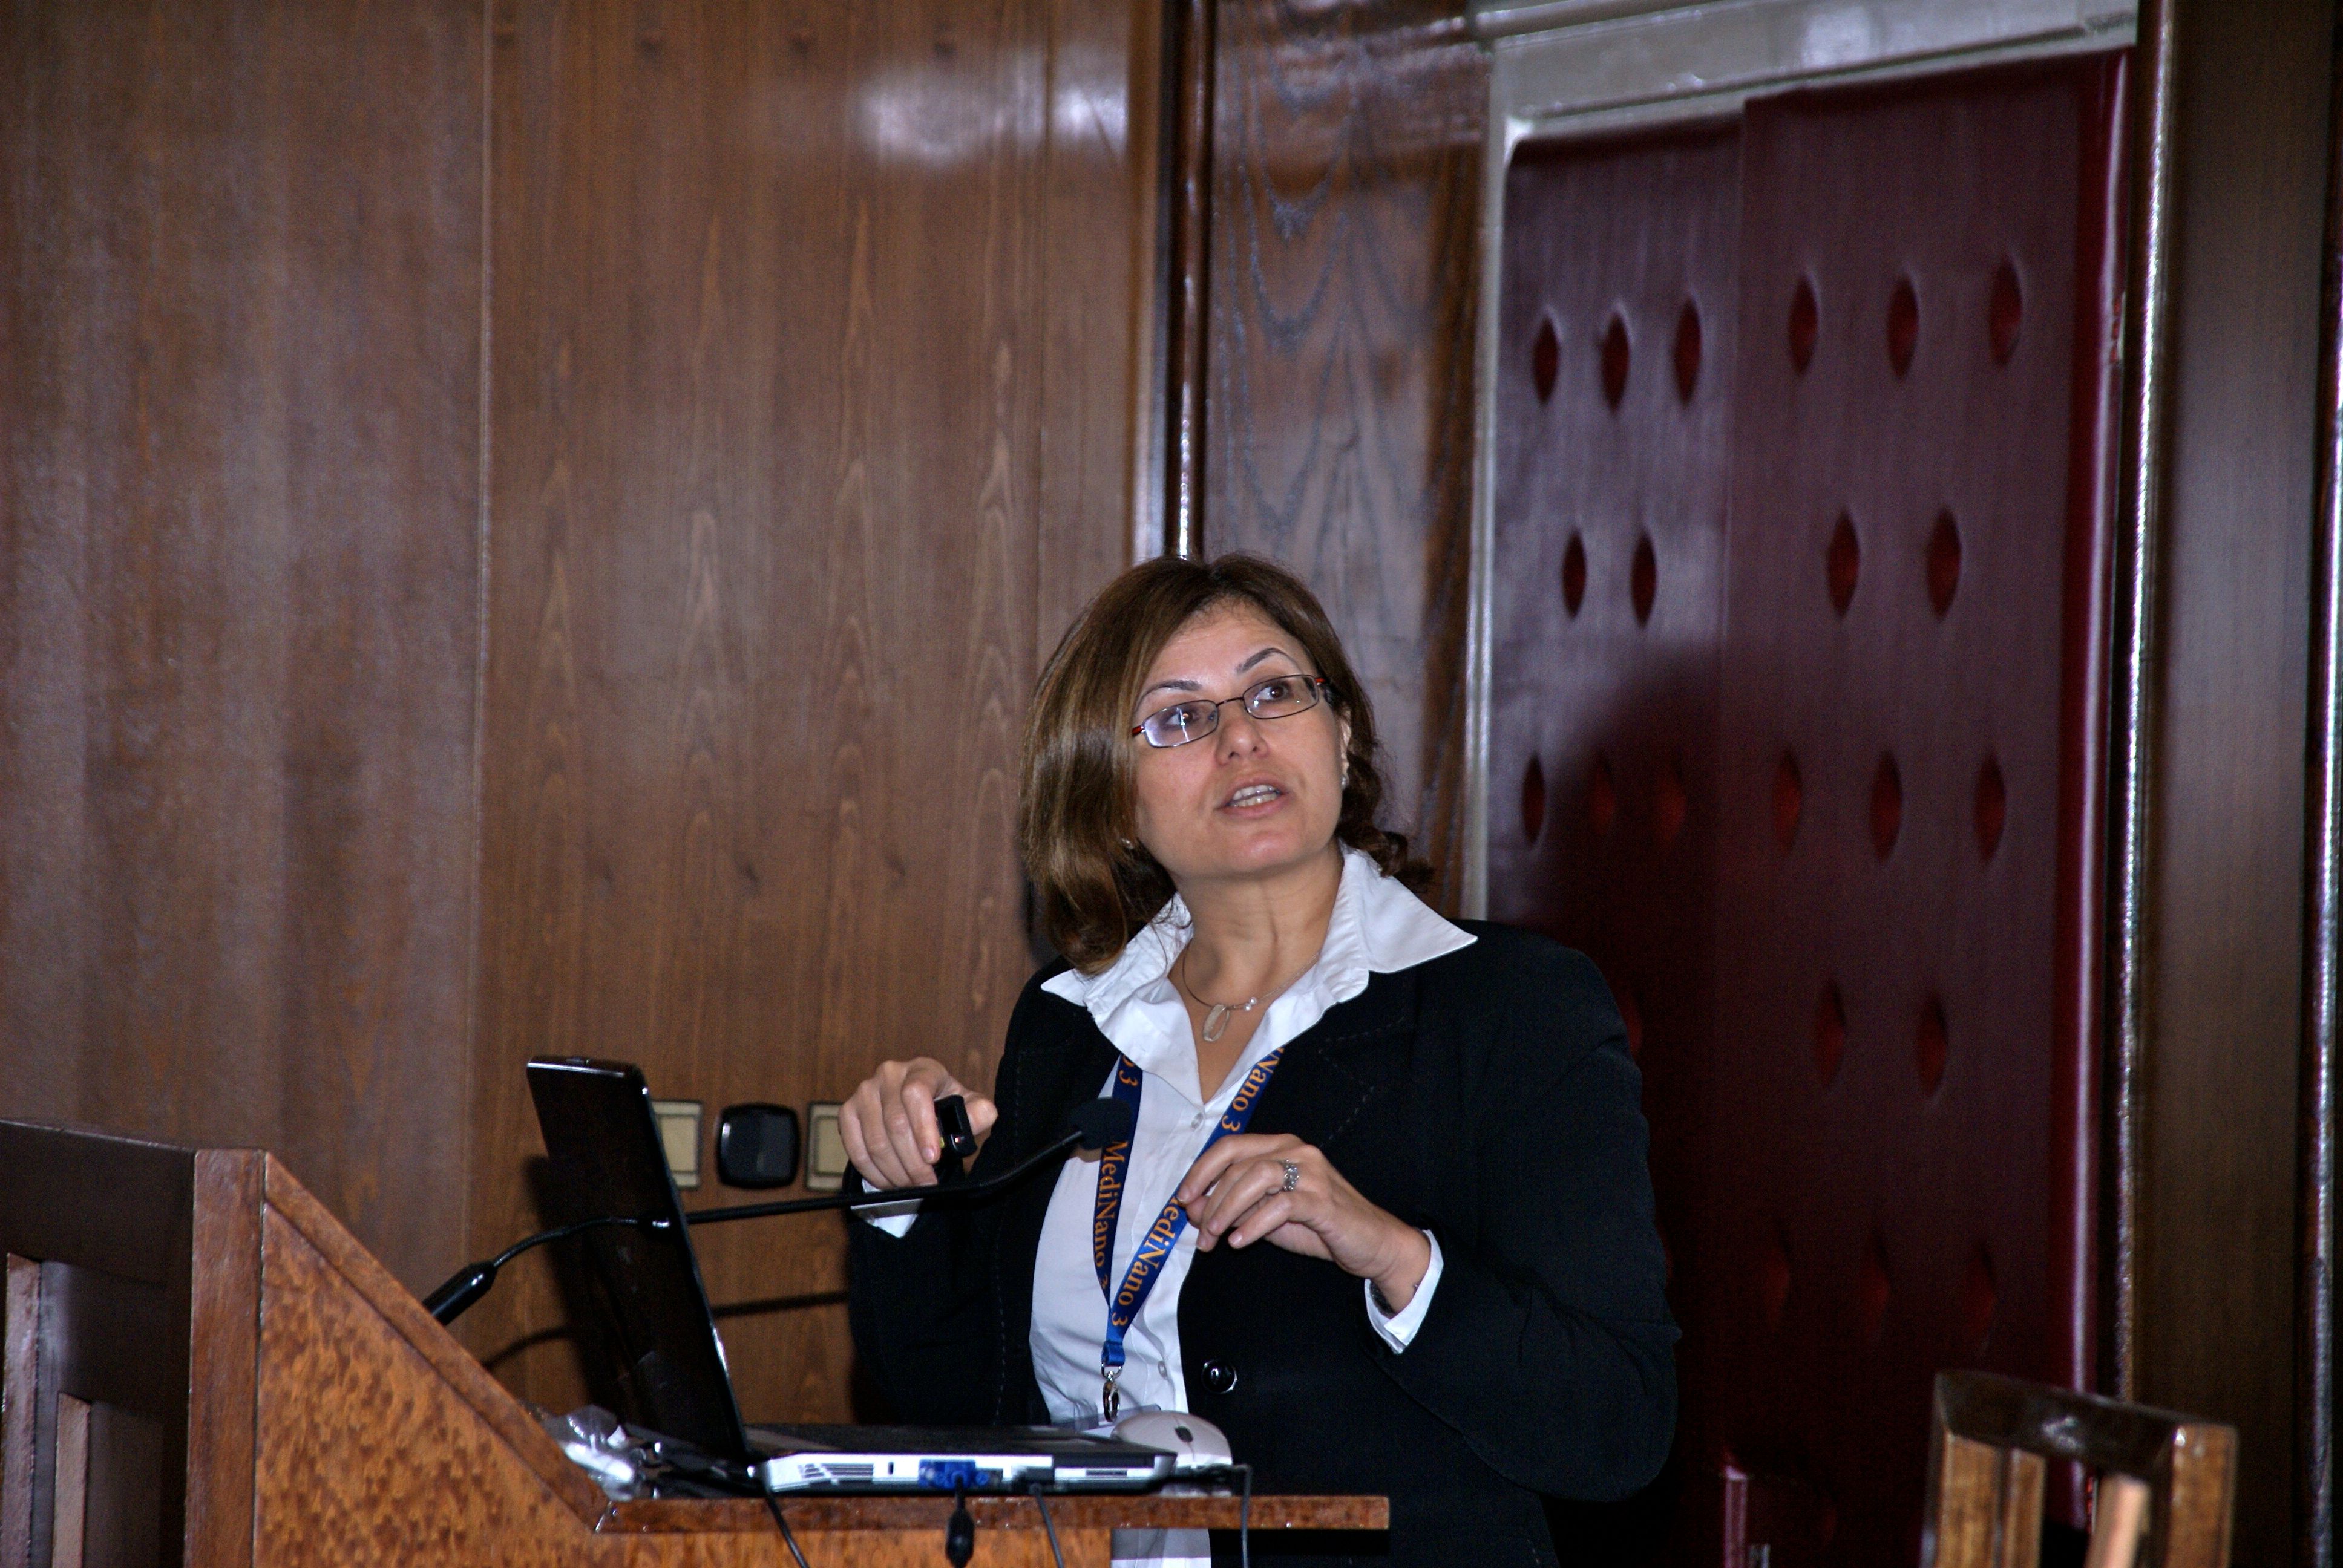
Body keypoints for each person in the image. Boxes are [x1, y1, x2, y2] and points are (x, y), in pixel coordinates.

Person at [844, 554, 1675, 1567]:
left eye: (1275, 692)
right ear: (1111, 799)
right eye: (1180, 717)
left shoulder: (1508, 1009)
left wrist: (1393, 1257)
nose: (1241, 737)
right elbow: (957, 1402)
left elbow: (1618, 1426)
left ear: (1342, 733)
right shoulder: (1068, 1028)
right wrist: (901, 1183)